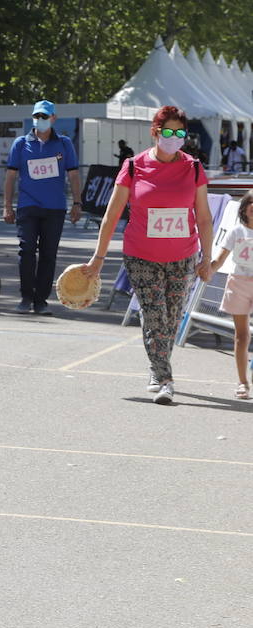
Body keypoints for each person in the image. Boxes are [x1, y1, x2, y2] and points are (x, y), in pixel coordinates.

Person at [79, 106, 214, 405]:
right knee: (154, 314)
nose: (173, 137)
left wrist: (207, 258)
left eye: (180, 133)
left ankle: (157, 364)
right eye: (168, 131)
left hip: (183, 256)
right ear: (155, 132)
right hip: (141, 256)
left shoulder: (193, 168)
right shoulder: (132, 166)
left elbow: (204, 218)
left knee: (171, 318)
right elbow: (111, 216)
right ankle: (164, 377)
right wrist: (98, 259)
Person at [3, 99, 83, 314]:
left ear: (53, 118)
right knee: (26, 250)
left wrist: (77, 202)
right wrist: (7, 206)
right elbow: (11, 176)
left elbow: (73, 174)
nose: (40, 120)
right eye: (37, 116)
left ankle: (41, 300)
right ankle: (26, 297)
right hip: (28, 207)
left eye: (44, 116)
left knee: (49, 254)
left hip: (55, 208)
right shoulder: (20, 144)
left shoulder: (64, 144)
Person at [208, 189, 253, 398]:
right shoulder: (236, 231)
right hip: (238, 283)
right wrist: (207, 270)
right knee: (242, 336)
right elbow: (220, 259)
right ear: (244, 208)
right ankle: (243, 382)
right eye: (251, 203)